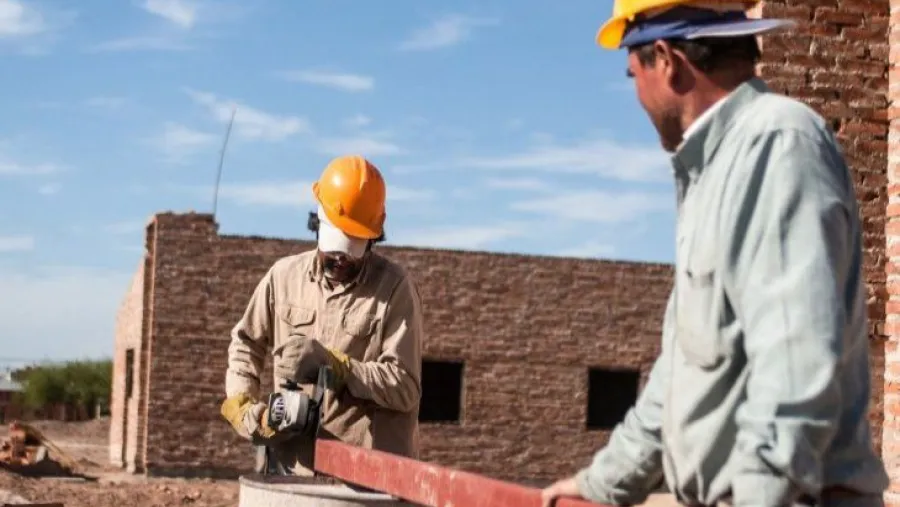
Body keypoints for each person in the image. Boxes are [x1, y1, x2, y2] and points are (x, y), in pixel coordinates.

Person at [541, 1, 890, 506]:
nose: (636, 94)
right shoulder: (715, 168)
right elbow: (681, 373)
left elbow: (794, 364)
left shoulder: (775, 143)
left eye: (632, 72)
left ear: (666, 60)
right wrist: (602, 484)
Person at [219, 154, 424, 476]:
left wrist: (338, 367)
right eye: (336, 246)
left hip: (367, 478)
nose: (341, 259)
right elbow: (246, 343)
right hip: (293, 471)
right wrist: (244, 405)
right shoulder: (283, 278)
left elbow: (405, 387)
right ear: (318, 223)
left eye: (352, 248)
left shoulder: (395, 289)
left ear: (373, 237)